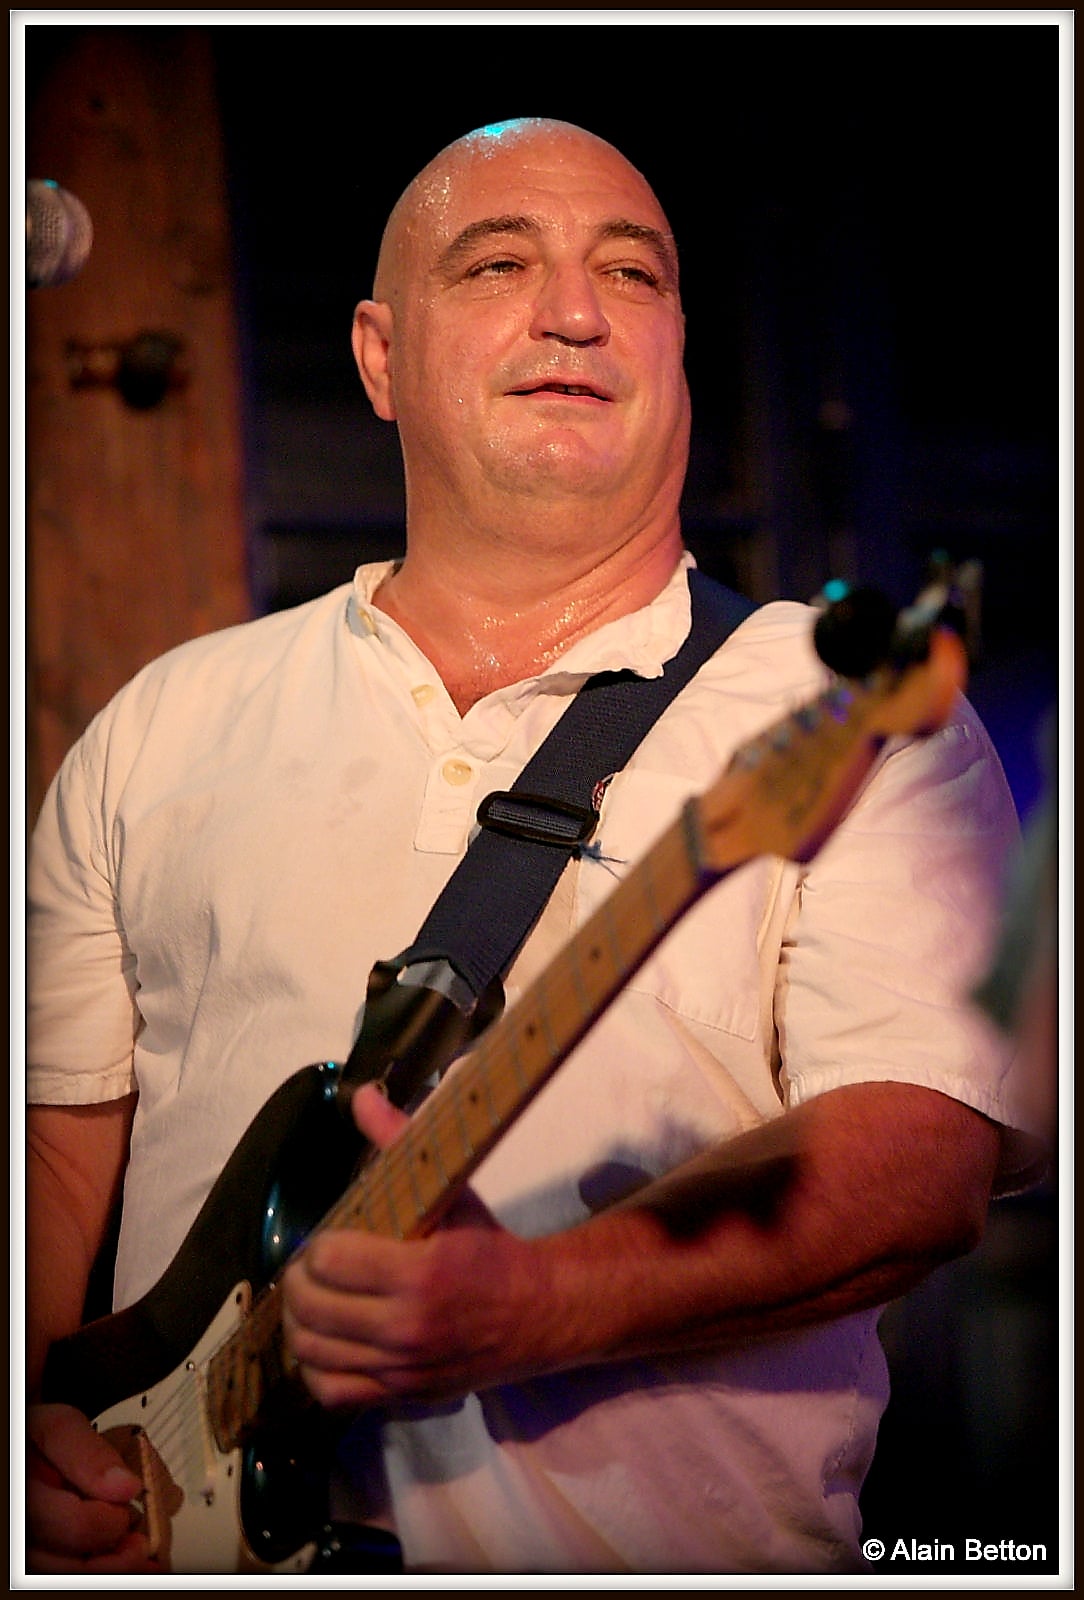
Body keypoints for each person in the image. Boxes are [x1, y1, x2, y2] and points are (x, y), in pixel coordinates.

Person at [25, 117, 1044, 1576]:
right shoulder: (164, 722)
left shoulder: (836, 706)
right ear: (379, 358)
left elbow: (917, 1157)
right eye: (499, 263)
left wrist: (537, 1307)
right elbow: (54, 1160)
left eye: (632, 274)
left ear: (678, 347)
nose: (576, 311)